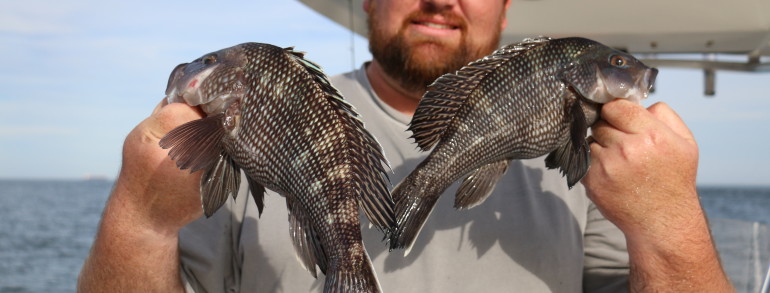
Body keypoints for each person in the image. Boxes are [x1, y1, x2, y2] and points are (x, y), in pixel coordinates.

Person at [78, 0, 733, 292]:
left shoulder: (601, 157)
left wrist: (672, 224)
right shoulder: (250, 128)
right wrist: (139, 221)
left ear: (505, 8)